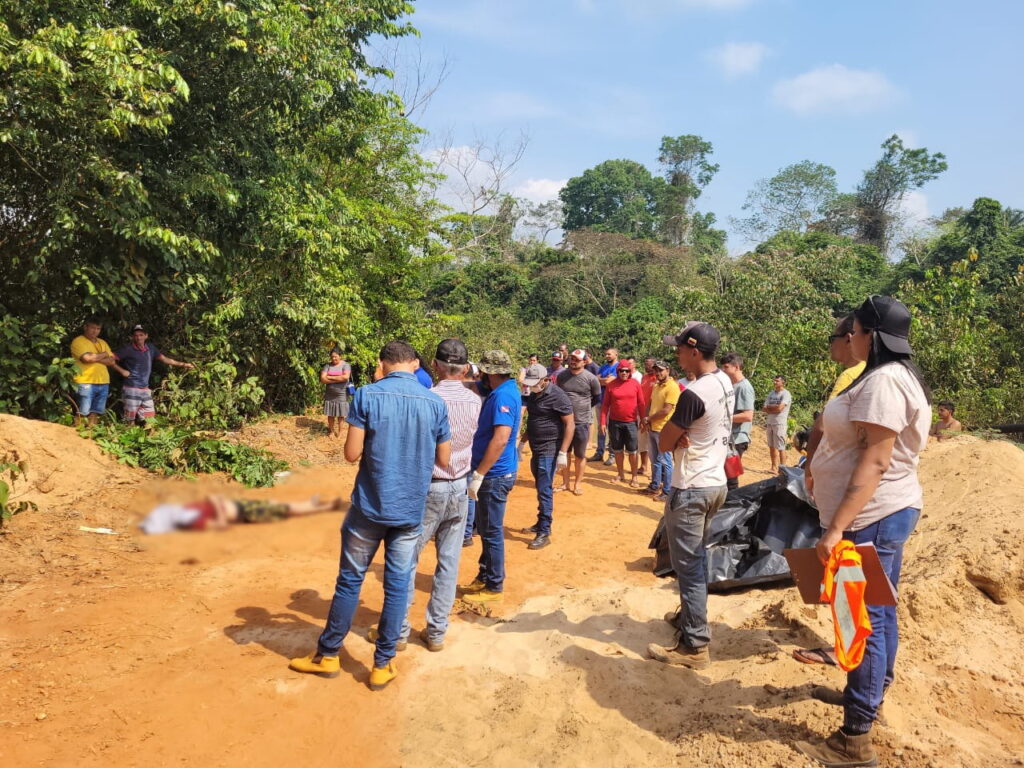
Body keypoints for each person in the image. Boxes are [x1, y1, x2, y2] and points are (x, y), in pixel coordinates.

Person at [794, 296, 931, 767]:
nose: (848, 336)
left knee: (862, 618)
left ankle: (855, 738)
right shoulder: (891, 378)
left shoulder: (884, 383)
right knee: (878, 614)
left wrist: (836, 529)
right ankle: (867, 697)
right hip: (877, 514)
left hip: (869, 517)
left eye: (852, 330)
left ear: (869, 335)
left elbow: (875, 460)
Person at [288, 340, 451, 690]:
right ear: (415, 363)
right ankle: (382, 664)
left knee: (350, 580)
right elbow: (444, 459)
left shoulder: (366, 395)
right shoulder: (435, 403)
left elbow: (351, 454)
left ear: (383, 363)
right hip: (409, 511)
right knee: (396, 586)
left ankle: (328, 655)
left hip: (369, 507)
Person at [648, 321, 733, 671]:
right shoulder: (724, 381)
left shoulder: (694, 394)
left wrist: (676, 434)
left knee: (689, 566)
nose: (677, 354)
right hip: (716, 483)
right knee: (695, 555)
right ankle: (688, 616)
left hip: (693, 487)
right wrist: (683, 433)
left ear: (695, 351)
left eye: (680, 348)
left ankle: (695, 644)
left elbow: (666, 442)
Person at [388, 339, 481, 653]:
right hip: (460, 487)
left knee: (407, 558)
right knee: (449, 563)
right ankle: (436, 632)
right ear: (466, 368)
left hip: (429, 487)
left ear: (436, 365)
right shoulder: (474, 401)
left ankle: (398, 632)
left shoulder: (427, 399)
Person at [461, 350, 522, 604]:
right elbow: (474, 385)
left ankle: (494, 585)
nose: (480, 375)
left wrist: (479, 473)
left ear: (491, 372)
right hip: (494, 474)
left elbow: (501, 438)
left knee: (491, 532)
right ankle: (485, 575)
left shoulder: (503, 396)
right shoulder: (500, 389)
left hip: (494, 475)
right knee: (486, 529)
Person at [518, 365, 574, 549]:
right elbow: (533, 420)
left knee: (544, 489)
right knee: (540, 487)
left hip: (549, 449)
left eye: (535, 383)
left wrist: (563, 452)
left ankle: (544, 531)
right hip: (535, 447)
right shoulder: (535, 394)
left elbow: (570, 425)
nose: (532, 386)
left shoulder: (558, 396)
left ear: (546, 380)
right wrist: (522, 442)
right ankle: (540, 522)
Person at [114, 324, 194, 425]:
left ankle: (149, 438)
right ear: (132, 337)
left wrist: (183, 364)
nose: (138, 337)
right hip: (131, 388)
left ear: (146, 336)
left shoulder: (151, 348)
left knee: (150, 417)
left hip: (145, 389)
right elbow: (110, 358)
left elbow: (164, 359)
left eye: (141, 335)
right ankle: (130, 436)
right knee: (130, 420)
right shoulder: (128, 349)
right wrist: (121, 371)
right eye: (136, 335)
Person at [139, 494, 342, 534]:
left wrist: (216, 504)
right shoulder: (196, 520)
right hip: (246, 512)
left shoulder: (191, 511)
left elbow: (213, 499)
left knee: (286, 507)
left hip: (244, 507)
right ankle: (323, 507)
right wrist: (218, 508)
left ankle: (315, 505)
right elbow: (220, 524)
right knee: (288, 510)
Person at [555, 349, 601, 496]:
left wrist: (582, 408)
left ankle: (578, 484)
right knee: (565, 453)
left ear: (584, 361)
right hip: (563, 421)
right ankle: (565, 482)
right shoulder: (562, 376)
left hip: (581, 422)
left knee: (580, 455)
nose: (573, 361)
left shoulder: (591, 378)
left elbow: (596, 398)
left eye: (577, 359)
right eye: (572, 358)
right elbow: (557, 394)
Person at [70, 317, 129, 426]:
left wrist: (96, 357)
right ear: (85, 327)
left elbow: (111, 361)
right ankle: (76, 435)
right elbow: (86, 359)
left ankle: (91, 434)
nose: (95, 331)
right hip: (85, 381)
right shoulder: (78, 341)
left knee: (95, 412)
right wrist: (104, 354)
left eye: (98, 328)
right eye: (93, 328)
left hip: (103, 382)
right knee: (82, 412)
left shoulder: (102, 342)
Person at [600, 359, 645, 487]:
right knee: (618, 450)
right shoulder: (611, 385)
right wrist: (602, 422)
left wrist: (643, 420)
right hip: (615, 422)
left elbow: (641, 404)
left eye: (626, 371)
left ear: (630, 371)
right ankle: (620, 474)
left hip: (631, 422)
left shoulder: (635, 384)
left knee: (632, 451)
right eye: (621, 370)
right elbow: (605, 405)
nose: (624, 373)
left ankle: (634, 477)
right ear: (618, 371)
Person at [642, 360, 679, 501]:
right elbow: (650, 404)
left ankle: (667, 491)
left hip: (664, 429)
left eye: (661, 370)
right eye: (656, 370)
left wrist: (649, 419)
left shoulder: (673, 387)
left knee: (665, 461)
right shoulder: (656, 385)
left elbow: (666, 410)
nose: (658, 373)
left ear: (668, 370)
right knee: (654, 459)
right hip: (653, 428)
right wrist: (646, 419)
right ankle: (654, 485)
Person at [719, 353, 755, 491]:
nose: (723, 370)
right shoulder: (732, 385)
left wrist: (723, 418)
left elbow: (747, 416)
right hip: (729, 438)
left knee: (731, 477)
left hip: (737, 440)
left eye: (726, 367)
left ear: (737, 367)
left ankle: (731, 507)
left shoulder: (744, 387)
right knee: (723, 474)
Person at [591, 348, 620, 464]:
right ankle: (599, 452)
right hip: (600, 400)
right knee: (601, 427)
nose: (607, 355)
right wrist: (603, 380)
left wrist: (601, 380)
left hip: (612, 402)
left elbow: (609, 382)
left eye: (609, 354)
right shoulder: (603, 367)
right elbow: (595, 380)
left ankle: (612, 454)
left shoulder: (618, 367)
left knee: (611, 428)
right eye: (606, 354)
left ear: (616, 354)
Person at [763, 374, 792, 473]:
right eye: (774, 380)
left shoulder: (786, 394)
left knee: (781, 447)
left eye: (777, 381)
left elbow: (780, 408)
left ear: (783, 382)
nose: (775, 382)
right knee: (771, 446)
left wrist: (771, 408)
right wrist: (774, 407)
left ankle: (783, 470)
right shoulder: (771, 393)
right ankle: (774, 468)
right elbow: (764, 408)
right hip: (770, 422)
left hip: (780, 423)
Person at [321, 347, 351, 438]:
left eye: (335, 357)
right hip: (330, 394)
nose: (333, 358)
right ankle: (331, 431)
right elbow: (322, 379)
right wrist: (338, 378)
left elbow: (345, 377)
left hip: (342, 394)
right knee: (330, 414)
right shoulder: (327, 366)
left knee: (341, 414)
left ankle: (341, 432)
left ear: (340, 356)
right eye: (332, 357)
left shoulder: (346, 365)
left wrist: (329, 377)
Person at [637, 357, 657, 476]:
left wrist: (648, 417)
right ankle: (643, 466)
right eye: (645, 364)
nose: (647, 366)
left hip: (653, 415)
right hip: (641, 413)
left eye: (649, 364)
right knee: (642, 440)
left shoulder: (658, 379)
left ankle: (655, 470)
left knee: (653, 442)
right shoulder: (644, 377)